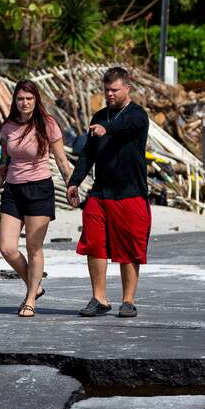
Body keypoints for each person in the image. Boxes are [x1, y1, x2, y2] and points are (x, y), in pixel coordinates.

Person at [66, 66, 150, 318]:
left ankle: (128, 300)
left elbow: (125, 125)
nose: (110, 94)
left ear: (127, 88)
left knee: (129, 249)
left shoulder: (137, 114)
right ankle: (99, 298)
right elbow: (88, 154)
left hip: (130, 192)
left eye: (114, 90)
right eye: (106, 90)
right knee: (94, 244)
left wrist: (107, 129)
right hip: (100, 193)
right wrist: (74, 182)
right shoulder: (99, 116)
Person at [0, 80, 74, 317]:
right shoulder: (8, 127)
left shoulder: (48, 125)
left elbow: (61, 162)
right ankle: (35, 286)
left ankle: (30, 300)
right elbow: (4, 162)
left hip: (39, 190)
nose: (24, 103)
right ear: (15, 101)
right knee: (7, 248)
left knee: (33, 247)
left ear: (36, 100)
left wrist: (71, 186)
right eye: (20, 98)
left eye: (29, 98)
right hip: (13, 192)